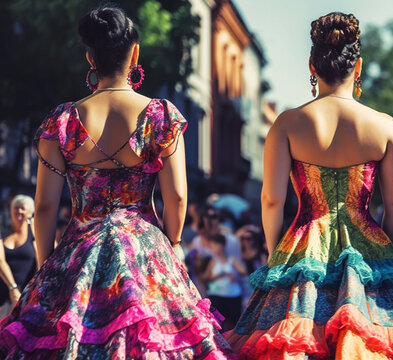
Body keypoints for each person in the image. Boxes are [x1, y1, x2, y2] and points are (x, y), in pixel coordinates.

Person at [0, 6, 233, 358]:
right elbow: (178, 196)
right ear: (135, 52)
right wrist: (171, 245)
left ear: (89, 57)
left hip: (77, 251)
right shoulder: (160, 116)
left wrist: (49, 268)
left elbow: (45, 206)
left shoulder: (62, 121)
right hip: (146, 250)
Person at [226, 12, 393, 359]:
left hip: (303, 247)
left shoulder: (288, 123)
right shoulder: (386, 127)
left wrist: (277, 257)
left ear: (312, 66)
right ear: (358, 66)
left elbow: (272, 200)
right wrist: (386, 253)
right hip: (369, 248)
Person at [0, 195, 38, 319]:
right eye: (16, 208)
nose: (19, 211)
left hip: (26, 297)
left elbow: (46, 260)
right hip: (4, 295)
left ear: (30, 213)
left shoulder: (35, 234)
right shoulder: (4, 231)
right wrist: (13, 288)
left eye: (22, 208)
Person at [200, 233, 246, 332]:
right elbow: (205, 277)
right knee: (217, 323)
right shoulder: (212, 261)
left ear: (222, 245)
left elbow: (243, 271)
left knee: (234, 323)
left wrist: (234, 274)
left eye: (215, 245)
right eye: (211, 246)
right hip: (216, 295)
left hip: (232, 295)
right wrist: (220, 275)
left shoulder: (231, 259)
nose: (212, 248)